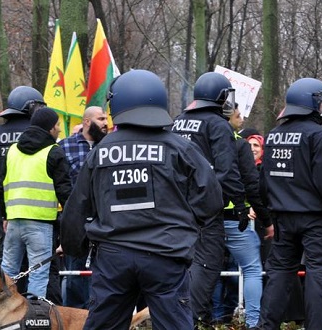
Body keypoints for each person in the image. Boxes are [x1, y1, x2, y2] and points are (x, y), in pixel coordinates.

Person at [60, 69, 223, 329]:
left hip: (114, 259)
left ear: (117, 104)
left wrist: (73, 248)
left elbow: (77, 206)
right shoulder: (180, 148)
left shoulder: (100, 152)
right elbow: (212, 200)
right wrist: (187, 224)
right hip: (166, 256)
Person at [259, 78, 322, 329]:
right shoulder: (320, 136)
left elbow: (264, 181)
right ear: (310, 103)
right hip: (314, 220)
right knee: (320, 276)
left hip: (282, 219)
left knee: (279, 274)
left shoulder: (274, 136)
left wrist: (270, 215)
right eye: (320, 100)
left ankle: (266, 326)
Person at [170, 71, 246, 327]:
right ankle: (191, 321)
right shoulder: (217, 124)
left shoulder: (178, 121)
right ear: (220, 96)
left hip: (175, 209)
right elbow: (227, 171)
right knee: (207, 264)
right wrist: (241, 203)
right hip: (205, 212)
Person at [0, 107, 71, 298]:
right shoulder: (54, 152)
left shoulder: (13, 150)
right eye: (57, 125)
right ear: (49, 128)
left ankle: (3, 317)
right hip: (41, 224)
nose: (59, 130)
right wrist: (71, 224)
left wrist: (4, 216)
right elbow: (65, 192)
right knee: (38, 275)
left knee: (8, 272)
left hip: (13, 222)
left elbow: (0, 186)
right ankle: (34, 321)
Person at [217, 102, 273, 328]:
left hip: (205, 219)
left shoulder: (200, 142)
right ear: (228, 119)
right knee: (251, 269)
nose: (242, 121)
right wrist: (266, 220)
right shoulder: (238, 145)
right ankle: (253, 322)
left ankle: (199, 318)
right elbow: (252, 184)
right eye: (238, 117)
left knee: (203, 270)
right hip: (235, 219)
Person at [0, 86, 46, 259]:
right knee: (42, 266)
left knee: (10, 265)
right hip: (41, 212)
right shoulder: (43, 136)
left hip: (6, 213)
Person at [58, 105, 108, 308]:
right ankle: (75, 316)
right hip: (76, 219)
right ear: (87, 122)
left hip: (105, 218)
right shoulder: (64, 147)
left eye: (106, 119)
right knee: (75, 273)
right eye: (101, 119)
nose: (106, 123)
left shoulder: (110, 145)